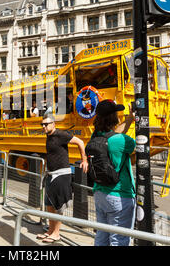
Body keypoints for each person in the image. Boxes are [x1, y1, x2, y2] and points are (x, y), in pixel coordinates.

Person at [37, 114, 88, 243]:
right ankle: (50, 230)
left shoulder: (61, 135)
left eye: (46, 124)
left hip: (61, 175)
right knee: (49, 204)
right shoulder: (48, 136)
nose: (44, 126)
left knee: (58, 206)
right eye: (42, 124)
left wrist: (84, 159)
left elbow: (80, 142)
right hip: (51, 174)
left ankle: (56, 233)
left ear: (53, 124)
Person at [91, 99, 136, 246]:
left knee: (102, 237)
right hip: (119, 196)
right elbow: (136, 144)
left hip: (100, 194)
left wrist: (129, 120)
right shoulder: (123, 141)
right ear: (113, 118)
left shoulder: (96, 137)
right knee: (119, 240)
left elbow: (113, 136)